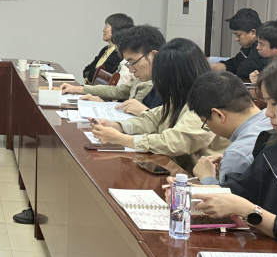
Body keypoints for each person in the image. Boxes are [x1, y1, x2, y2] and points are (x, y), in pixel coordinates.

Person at [196, 52, 277, 253]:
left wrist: (246, 209)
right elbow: (242, 188)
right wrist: (190, 192)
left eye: (274, 104)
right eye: (267, 103)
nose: (268, 113)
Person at [91, 38, 229, 172]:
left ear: (176, 74)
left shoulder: (206, 99)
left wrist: (121, 139)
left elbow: (175, 142)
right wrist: (117, 126)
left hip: (203, 178)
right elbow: (153, 119)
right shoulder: (182, 94)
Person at [187, 71, 273, 186]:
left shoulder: (237, 155)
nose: (208, 127)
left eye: (205, 122)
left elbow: (225, 197)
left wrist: (207, 177)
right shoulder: (273, 120)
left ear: (219, 115)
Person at [61, 25, 163, 109]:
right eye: (128, 64)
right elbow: (117, 91)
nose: (131, 70)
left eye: (133, 62)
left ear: (153, 55)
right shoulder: (145, 78)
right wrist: (79, 89)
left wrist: (103, 105)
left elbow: (137, 117)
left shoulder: (159, 85)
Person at [210, 8, 268, 79]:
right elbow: (237, 62)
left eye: (238, 35)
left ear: (253, 32)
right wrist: (218, 66)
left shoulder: (264, 46)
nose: (236, 39)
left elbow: (244, 70)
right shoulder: (250, 45)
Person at [81, 13, 134, 83]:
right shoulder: (105, 49)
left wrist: (89, 75)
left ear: (117, 29)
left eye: (106, 26)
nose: (103, 30)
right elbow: (86, 70)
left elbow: (96, 75)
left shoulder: (119, 53)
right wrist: (90, 74)